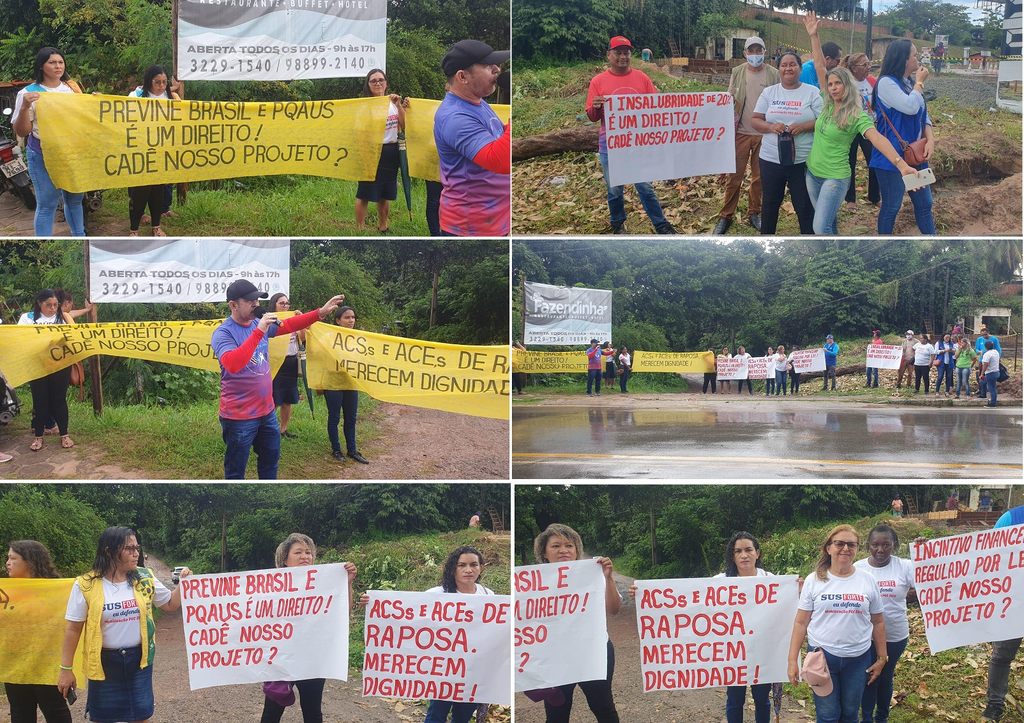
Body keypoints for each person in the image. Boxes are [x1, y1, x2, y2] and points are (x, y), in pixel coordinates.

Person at [212, 279, 345, 479]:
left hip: (266, 412)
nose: (256, 305)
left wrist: (320, 313)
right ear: (233, 305)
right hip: (239, 417)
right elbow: (233, 364)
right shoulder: (223, 333)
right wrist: (259, 332)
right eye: (250, 301)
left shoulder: (258, 324)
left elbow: (290, 324)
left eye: (257, 300)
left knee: (270, 462)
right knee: (235, 470)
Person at [56, 527, 191, 723]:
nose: (136, 553)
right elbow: (73, 629)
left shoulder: (145, 577)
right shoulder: (85, 584)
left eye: (137, 547)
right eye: (129, 548)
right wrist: (65, 669)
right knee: (103, 718)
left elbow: (170, 604)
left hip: (139, 661)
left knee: (141, 716)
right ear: (109, 551)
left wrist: (183, 583)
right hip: (103, 664)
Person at [802, 14, 915, 235]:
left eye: (838, 84)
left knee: (819, 228)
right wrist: (814, 36)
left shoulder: (857, 114)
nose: (833, 87)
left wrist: (901, 165)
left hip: (836, 177)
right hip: (812, 174)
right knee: (827, 223)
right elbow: (818, 64)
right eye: (831, 83)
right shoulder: (825, 102)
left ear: (848, 86)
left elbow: (877, 138)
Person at [787, 525, 887, 723]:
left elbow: (878, 621)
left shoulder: (868, 580)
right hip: (822, 658)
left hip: (858, 660)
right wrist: (792, 660)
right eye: (839, 543)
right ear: (828, 548)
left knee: (850, 714)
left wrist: (882, 657)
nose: (845, 548)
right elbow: (801, 622)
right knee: (828, 715)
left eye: (851, 544)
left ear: (857, 548)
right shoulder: (814, 580)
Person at [260, 533, 356, 723]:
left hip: (313, 660)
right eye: (298, 552)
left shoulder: (324, 582)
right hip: (281, 659)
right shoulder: (271, 585)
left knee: (313, 713)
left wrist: (348, 582)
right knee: (271, 712)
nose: (305, 556)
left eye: (308, 552)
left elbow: (343, 611)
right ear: (285, 559)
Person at [585, 36, 677, 235]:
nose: (622, 56)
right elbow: (592, 116)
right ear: (609, 55)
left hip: (638, 145)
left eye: (626, 52)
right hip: (610, 145)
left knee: (645, 187)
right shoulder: (598, 81)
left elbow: (655, 109)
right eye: (618, 52)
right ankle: (618, 223)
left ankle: (661, 225)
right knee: (614, 189)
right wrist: (596, 106)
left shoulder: (642, 78)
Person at [533, 524, 621, 722]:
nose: (563, 550)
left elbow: (614, 609)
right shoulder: (532, 583)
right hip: (554, 656)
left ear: (576, 550)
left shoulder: (593, 574)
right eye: (555, 546)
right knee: (557, 713)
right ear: (544, 552)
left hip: (593, 651)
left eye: (569, 545)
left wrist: (608, 579)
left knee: (603, 707)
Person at [434, 40, 510, 236]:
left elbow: (501, 137)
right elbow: (500, 160)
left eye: (496, 65)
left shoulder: (477, 102)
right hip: (471, 227)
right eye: (488, 66)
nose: (497, 70)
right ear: (462, 77)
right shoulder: (455, 117)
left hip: (495, 220)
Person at [12, 47, 86, 236]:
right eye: (52, 62)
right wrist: (24, 108)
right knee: (47, 204)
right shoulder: (28, 93)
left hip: (71, 154)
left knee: (75, 200)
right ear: (41, 66)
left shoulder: (72, 88)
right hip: (42, 154)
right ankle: (43, 240)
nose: (58, 66)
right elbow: (22, 130)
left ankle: (79, 236)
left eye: (60, 62)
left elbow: (84, 116)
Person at [751, 51, 822, 235]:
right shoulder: (769, 92)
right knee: (770, 204)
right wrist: (770, 126)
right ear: (779, 68)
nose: (788, 68)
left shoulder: (812, 92)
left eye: (793, 64)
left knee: (804, 205)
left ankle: (810, 242)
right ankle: (766, 240)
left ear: (800, 68)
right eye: (784, 65)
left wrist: (805, 126)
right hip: (771, 160)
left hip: (802, 161)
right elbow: (755, 120)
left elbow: (825, 120)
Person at [870, 39, 936, 235]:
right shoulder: (886, 83)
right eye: (914, 55)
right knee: (891, 206)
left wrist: (930, 139)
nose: (918, 59)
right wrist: (920, 82)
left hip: (915, 155)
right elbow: (910, 106)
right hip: (892, 159)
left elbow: (924, 113)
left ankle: (930, 238)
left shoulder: (907, 83)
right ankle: (883, 242)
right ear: (903, 60)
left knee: (924, 203)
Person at [714, 36, 779, 234]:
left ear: (764, 52)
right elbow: (728, 99)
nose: (755, 54)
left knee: (759, 178)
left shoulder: (773, 74)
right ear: (745, 53)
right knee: (735, 177)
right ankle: (726, 215)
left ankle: (754, 212)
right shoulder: (738, 72)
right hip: (741, 132)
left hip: (764, 134)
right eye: (752, 51)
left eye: (759, 50)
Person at [422, 547, 494, 723]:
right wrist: (374, 604)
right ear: (453, 568)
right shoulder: (436, 594)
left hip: (473, 670)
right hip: (443, 670)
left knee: (463, 717)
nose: (468, 570)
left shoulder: (489, 595)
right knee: (436, 715)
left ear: (481, 567)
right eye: (461, 565)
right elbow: (407, 615)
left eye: (473, 564)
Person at [4, 540, 72, 723]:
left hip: (47, 667)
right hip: (15, 668)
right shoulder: (7, 594)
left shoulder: (58, 592)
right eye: (7, 558)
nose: (7, 563)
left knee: (56, 713)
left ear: (30, 561)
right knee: (20, 715)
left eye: (13, 558)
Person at [855, 524, 916, 723]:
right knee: (869, 677)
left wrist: (924, 557)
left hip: (895, 635)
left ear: (895, 545)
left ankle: (882, 717)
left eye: (886, 545)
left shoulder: (905, 566)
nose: (880, 550)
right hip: (866, 636)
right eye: (875, 545)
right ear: (868, 546)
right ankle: (866, 718)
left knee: (885, 675)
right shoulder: (858, 568)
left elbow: (929, 583)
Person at [716, 533, 775, 722]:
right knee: (734, 700)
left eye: (748, 550)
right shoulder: (721, 580)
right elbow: (692, 599)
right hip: (734, 654)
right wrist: (646, 595)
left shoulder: (770, 579)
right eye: (738, 551)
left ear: (757, 553)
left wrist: (797, 587)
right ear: (732, 556)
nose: (744, 555)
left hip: (762, 652)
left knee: (762, 699)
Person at [18, 290, 74, 451]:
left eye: (55, 305)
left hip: (60, 366)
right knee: (40, 400)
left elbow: (73, 338)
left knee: (59, 400)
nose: (52, 308)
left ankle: (64, 435)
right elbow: (19, 340)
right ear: (39, 303)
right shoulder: (27, 318)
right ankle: (38, 437)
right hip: (36, 365)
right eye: (48, 305)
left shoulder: (63, 317)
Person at [982, 504, 1024, 721]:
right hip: (1012, 602)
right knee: (1002, 656)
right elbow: (985, 558)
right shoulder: (1011, 518)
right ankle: (995, 704)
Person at [127, 65, 179, 237]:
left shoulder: (173, 98)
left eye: (164, 82)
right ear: (149, 82)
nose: (162, 86)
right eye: (157, 82)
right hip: (140, 150)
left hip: (162, 151)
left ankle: (156, 226)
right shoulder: (136, 96)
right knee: (138, 191)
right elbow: (118, 112)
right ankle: (134, 228)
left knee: (158, 189)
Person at [356, 69, 405, 233]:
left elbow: (404, 126)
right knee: (364, 192)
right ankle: (360, 228)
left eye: (380, 80)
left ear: (386, 82)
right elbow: (359, 129)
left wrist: (399, 105)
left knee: (385, 191)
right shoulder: (364, 105)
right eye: (373, 81)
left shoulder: (393, 103)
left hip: (390, 150)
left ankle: (383, 225)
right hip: (370, 150)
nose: (377, 83)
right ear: (368, 85)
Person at [324, 305, 368, 464]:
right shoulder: (328, 336)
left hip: (350, 383)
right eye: (347, 318)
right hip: (333, 383)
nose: (351, 320)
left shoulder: (358, 338)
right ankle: (336, 449)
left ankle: (352, 450)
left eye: (353, 317)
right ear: (338, 320)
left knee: (351, 418)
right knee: (334, 417)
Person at [841, 53, 879, 206]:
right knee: (850, 162)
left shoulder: (872, 81)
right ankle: (850, 199)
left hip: (869, 128)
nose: (868, 67)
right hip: (851, 128)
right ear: (853, 68)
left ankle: (875, 197)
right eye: (864, 65)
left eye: (869, 64)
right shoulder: (847, 84)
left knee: (874, 161)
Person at [267, 293, 305, 439]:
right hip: (275, 362)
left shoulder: (293, 319)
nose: (285, 306)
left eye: (287, 303)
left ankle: (283, 429)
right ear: (274, 304)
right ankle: (268, 429)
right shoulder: (268, 320)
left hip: (290, 362)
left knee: (288, 398)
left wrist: (300, 321)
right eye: (281, 303)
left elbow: (302, 338)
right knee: (273, 398)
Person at [979, 340, 1001, 407]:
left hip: (990, 372)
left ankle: (993, 403)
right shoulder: (996, 352)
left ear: (985, 347)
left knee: (991, 388)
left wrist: (982, 373)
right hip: (996, 371)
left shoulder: (987, 354)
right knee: (985, 383)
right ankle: (984, 395)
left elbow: (985, 364)